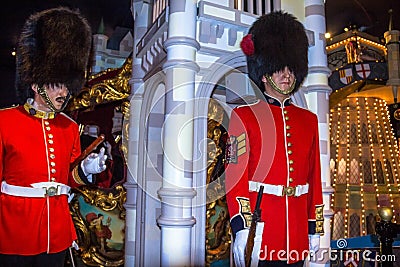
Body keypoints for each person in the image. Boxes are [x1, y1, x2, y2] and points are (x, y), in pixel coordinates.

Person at [0, 7, 108, 267]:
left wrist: (86, 169)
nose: (63, 93)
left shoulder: (69, 127)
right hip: (15, 229)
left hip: (56, 229)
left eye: (66, 85)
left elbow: (67, 178)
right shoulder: (5, 121)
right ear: (37, 84)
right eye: (56, 84)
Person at [225, 11, 324, 267]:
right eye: (279, 69)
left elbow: (314, 178)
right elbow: (236, 176)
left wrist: (314, 226)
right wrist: (241, 226)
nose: (287, 75)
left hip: (298, 233)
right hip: (261, 232)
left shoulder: (308, 120)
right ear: (264, 72)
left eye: (291, 69)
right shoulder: (244, 117)